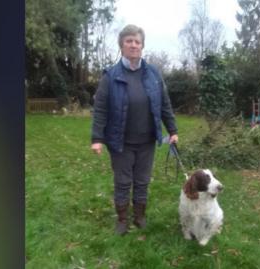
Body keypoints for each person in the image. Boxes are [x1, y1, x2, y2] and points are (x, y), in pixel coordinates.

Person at [90, 24, 178, 235]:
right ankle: (122, 220)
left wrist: (172, 130)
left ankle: (139, 216)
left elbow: (164, 104)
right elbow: (100, 108)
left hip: (147, 141)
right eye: (129, 41)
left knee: (142, 181)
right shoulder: (110, 76)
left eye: (137, 41)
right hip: (120, 142)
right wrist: (97, 138)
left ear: (142, 46)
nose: (133, 45)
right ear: (121, 45)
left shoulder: (153, 74)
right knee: (122, 182)